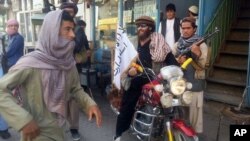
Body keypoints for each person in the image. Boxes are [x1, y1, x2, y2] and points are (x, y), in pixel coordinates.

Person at [0, 10, 102, 141]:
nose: (72, 35)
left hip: (59, 129)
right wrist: (23, 120)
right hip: (37, 133)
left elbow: (75, 89)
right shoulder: (31, 63)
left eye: (73, 29)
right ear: (52, 32)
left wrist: (90, 104)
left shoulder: (67, 63)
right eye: (67, 29)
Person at [113, 16, 179, 141]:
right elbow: (123, 63)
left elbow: (171, 59)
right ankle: (118, 134)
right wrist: (129, 71)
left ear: (150, 28)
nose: (139, 28)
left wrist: (178, 71)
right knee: (127, 106)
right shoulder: (132, 43)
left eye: (143, 26)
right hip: (137, 80)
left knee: (171, 102)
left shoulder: (159, 42)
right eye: (138, 26)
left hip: (156, 80)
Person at [60, 2, 91, 140]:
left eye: (70, 12)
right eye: (65, 11)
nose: (67, 13)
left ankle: (74, 128)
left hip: (72, 67)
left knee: (73, 99)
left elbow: (77, 46)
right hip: (58, 67)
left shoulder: (77, 28)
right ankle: (63, 125)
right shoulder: (56, 26)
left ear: (74, 13)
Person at [172, 17, 208, 134]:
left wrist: (197, 55)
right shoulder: (177, 45)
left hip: (195, 85)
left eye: (188, 28)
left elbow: (204, 66)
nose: (185, 31)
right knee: (181, 115)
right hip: (180, 86)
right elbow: (170, 62)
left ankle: (194, 136)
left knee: (194, 118)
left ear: (194, 29)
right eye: (183, 28)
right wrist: (178, 60)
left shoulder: (201, 45)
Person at [0, 34, 11, 139]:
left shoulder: (2, 38)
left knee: (3, 102)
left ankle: (3, 129)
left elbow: (4, 55)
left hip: (2, 74)